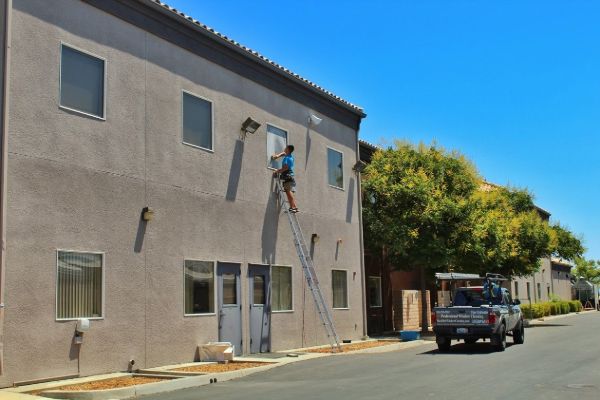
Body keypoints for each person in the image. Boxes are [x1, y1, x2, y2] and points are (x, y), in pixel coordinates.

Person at [272, 145, 298, 213]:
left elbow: (285, 168)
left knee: (288, 192)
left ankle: (293, 207)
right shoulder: (290, 157)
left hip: (287, 175)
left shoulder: (287, 158)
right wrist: (277, 156)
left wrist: (277, 171)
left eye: (286, 148)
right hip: (290, 176)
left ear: (288, 149)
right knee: (289, 192)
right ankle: (294, 207)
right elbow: (284, 153)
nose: (284, 149)